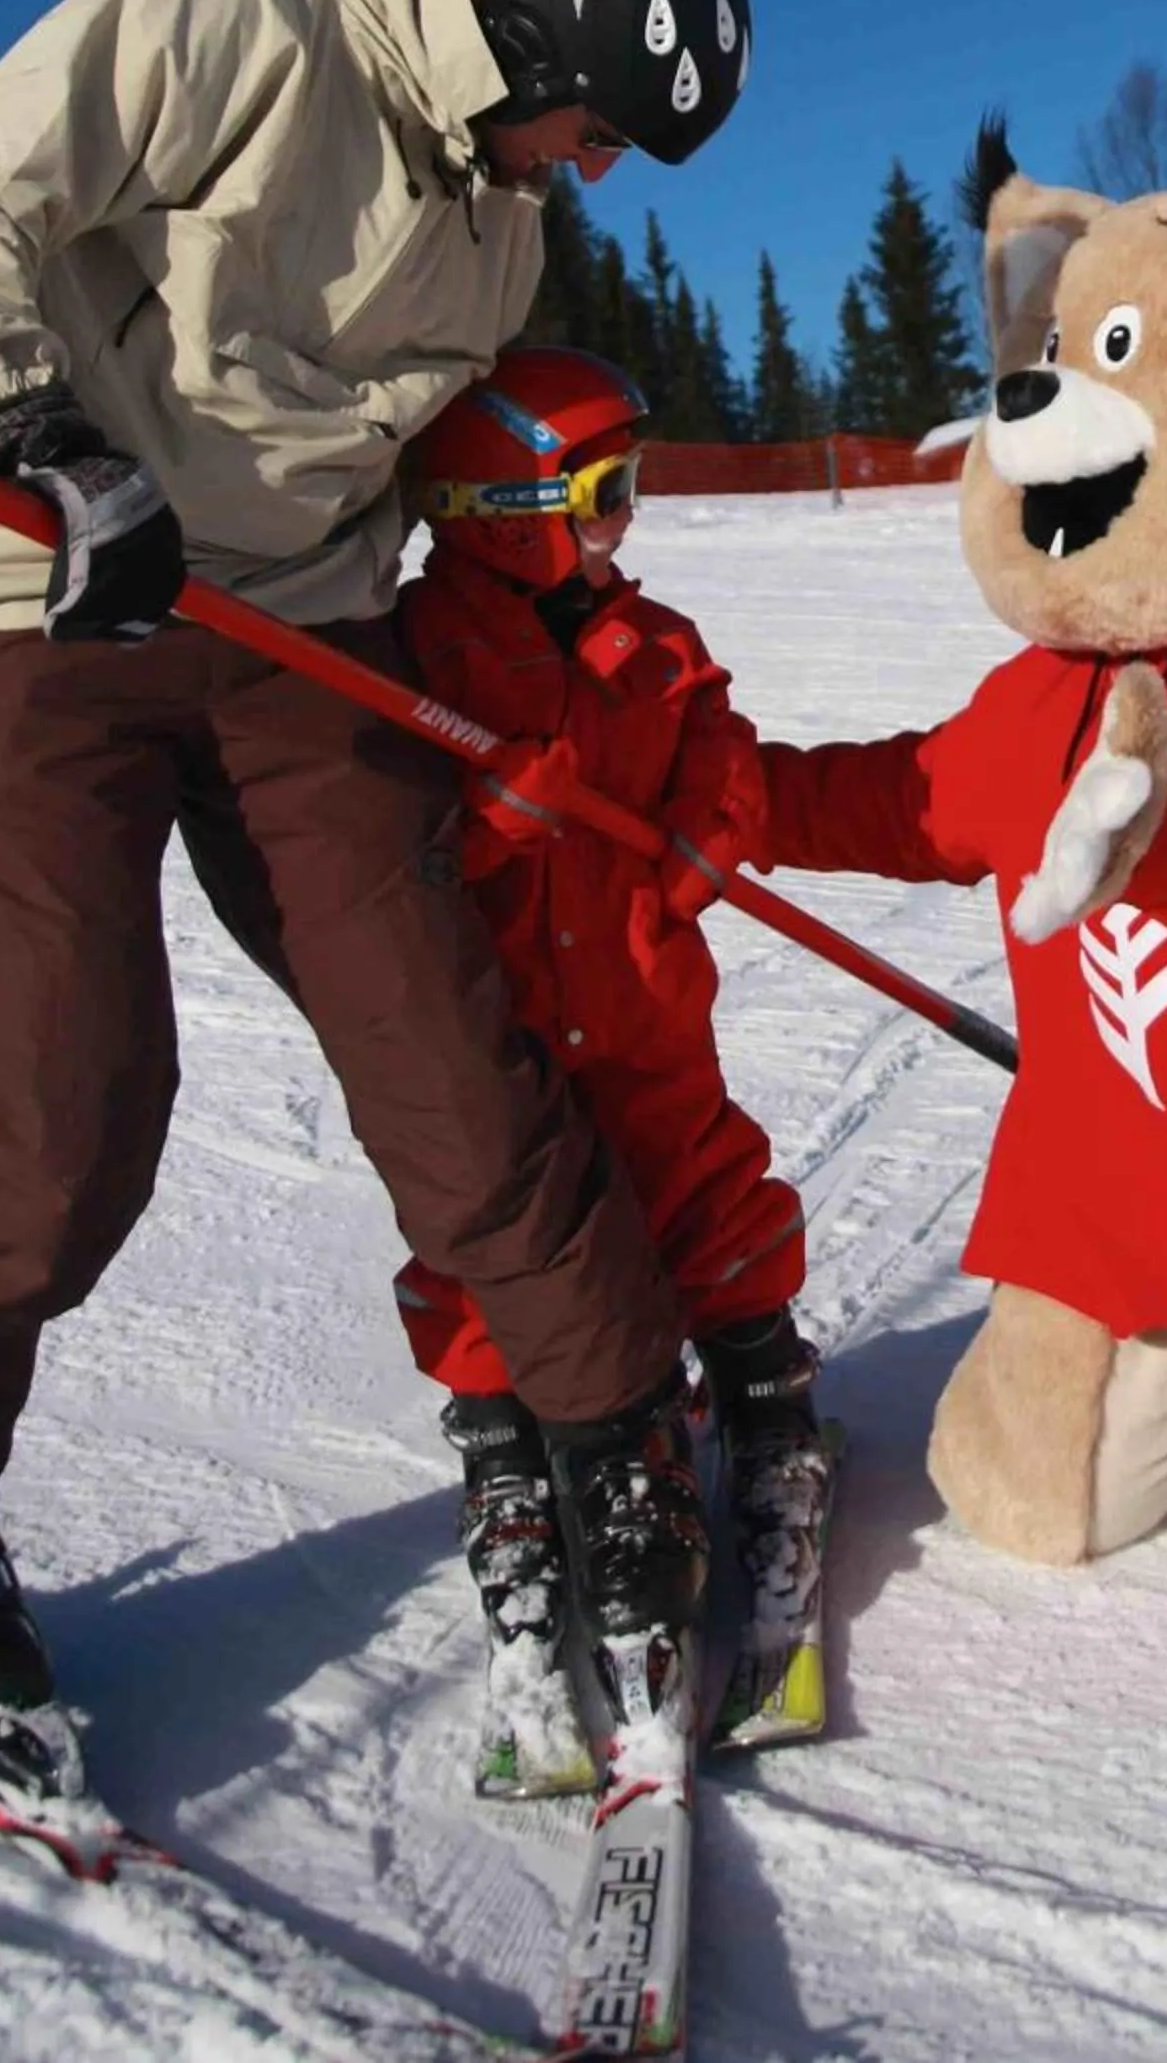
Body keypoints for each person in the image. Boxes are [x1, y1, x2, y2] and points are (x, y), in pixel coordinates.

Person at [0, 0, 754, 1790]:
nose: (592, 175)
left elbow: (432, 467)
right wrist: (22, 439)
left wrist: (538, 624)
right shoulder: (235, 20)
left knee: (452, 1045)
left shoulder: (495, 223)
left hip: (299, 639)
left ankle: (610, 1428)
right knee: (62, 1106)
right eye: (602, 128)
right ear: (552, 43)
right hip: (55, 604)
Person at [387, 348, 820, 1777]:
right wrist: (487, 819)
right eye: (604, 492)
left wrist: (715, 819)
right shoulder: (412, 663)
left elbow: (723, 739)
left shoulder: (651, 644)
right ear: (503, 505)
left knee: (703, 1195)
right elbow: (365, 845)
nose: (625, 522)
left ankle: (762, 1398)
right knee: (485, 1237)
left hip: (642, 1013)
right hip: (500, 1042)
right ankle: (507, 1447)